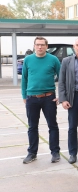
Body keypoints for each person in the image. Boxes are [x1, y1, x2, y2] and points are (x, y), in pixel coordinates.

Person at [21, 36, 61, 164]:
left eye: (42, 45)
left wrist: (61, 95)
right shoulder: (28, 60)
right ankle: (32, 153)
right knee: (32, 127)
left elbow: (62, 78)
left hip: (49, 98)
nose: (40, 47)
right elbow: (24, 79)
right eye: (37, 45)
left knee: (52, 126)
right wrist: (24, 96)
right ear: (34, 46)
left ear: (47, 46)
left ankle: (55, 152)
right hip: (32, 98)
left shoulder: (53, 60)